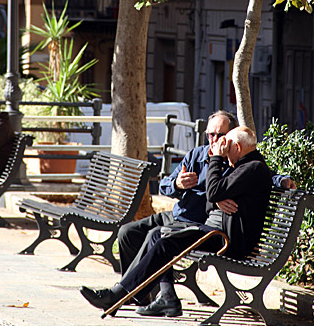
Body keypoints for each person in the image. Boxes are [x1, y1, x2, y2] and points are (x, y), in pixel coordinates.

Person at [80, 125, 272, 318]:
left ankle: (117, 295)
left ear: (238, 147)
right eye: (211, 135)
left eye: (225, 143)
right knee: (157, 234)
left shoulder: (251, 167)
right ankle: (153, 297)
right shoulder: (239, 165)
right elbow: (210, 201)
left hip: (226, 240)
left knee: (165, 242)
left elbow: (213, 192)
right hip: (214, 232)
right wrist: (213, 197)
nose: (219, 146)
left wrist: (215, 161)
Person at [116, 110, 294, 281]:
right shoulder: (196, 155)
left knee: (158, 236)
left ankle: (136, 292)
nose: (214, 140)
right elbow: (163, 186)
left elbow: (262, 174)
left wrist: (282, 180)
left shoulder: (233, 161)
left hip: (197, 222)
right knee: (127, 232)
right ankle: (135, 291)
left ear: (230, 136)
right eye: (210, 135)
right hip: (178, 214)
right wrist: (177, 184)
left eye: (219, 135)